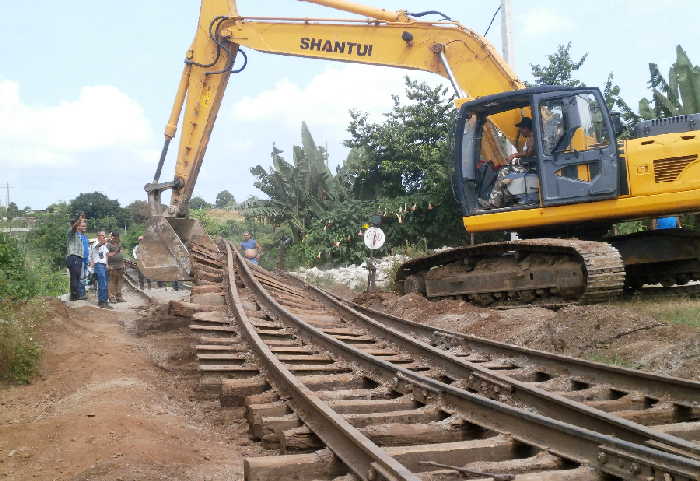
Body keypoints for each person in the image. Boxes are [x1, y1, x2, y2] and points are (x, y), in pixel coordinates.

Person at [479, 117, 535, 210]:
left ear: (526, 128)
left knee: (503, 172)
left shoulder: (532, 137)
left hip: (530, 167)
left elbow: (529, 153)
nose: (520, 132)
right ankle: (502, 201)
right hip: (527, 165)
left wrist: (514, 155)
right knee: (506, 178)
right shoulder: (529, 138)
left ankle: (493, 203)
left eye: (521, 129)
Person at [66, 214, 88, 301]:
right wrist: (80, 219)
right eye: (80, 224)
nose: (81, 226)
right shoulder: (71, 232)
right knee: (74, 278)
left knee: (78, 278)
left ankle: (77, 295)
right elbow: (74, 227)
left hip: (78, 258)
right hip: (73, 257)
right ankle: (74, 297)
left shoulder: (79, 235)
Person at [89, 231, 112, 309]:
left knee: (105, 284)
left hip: (103, 265)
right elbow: (99, 245)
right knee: (102, 283)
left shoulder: (104, 245)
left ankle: (105, 301)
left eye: (104, 236)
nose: (104, 237)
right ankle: (102, 301)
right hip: (98, 265)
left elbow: (106, 255)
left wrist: (107, 264)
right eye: (102, 236)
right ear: (98, 236)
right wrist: (107, 240)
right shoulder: (96, 243)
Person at [107, 231, 125, 303]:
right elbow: (107, 254)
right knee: (112, 281)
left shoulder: (119, 244)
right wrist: (108, 265)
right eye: (116, 237)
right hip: (112, 266)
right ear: (113, 237)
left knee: (120, 281)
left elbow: (121, 253)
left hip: (120, 265)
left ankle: (119, 296)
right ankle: (112, 297)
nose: (117, 239)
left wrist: (123, 263)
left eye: (118, 237)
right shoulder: (108, 245)